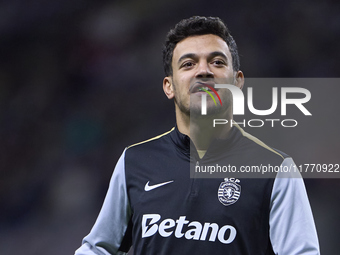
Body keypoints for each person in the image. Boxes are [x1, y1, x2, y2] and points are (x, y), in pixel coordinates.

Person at [75, 16, 320, 255]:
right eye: (188, 64)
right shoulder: (135, 161)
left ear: (237, 82)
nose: (203, 71)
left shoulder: (276, 170)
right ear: (169, 86)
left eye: (217, 62)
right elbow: (97, 248)